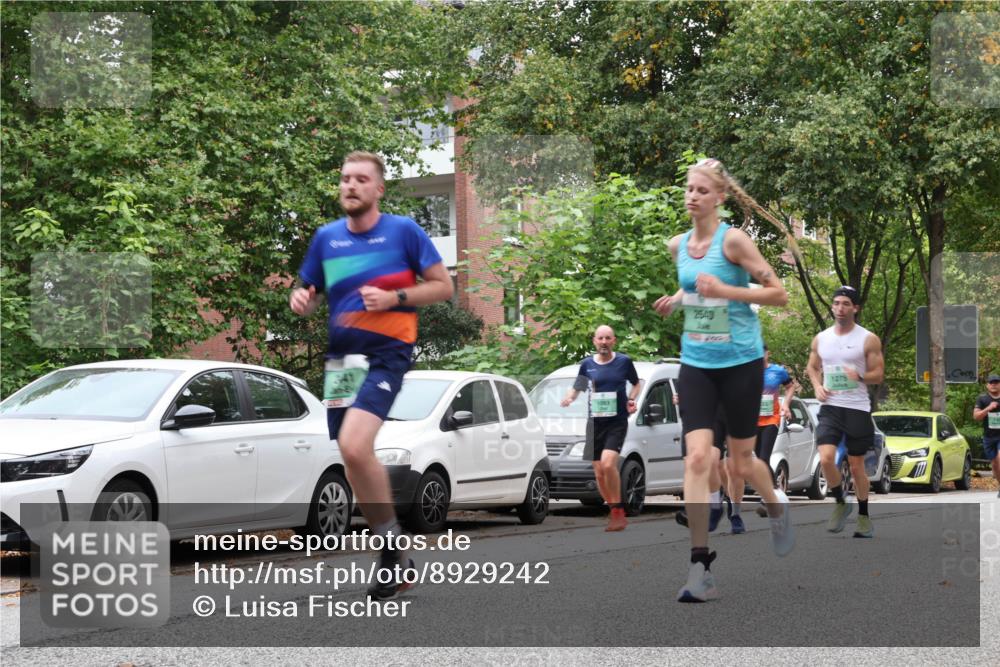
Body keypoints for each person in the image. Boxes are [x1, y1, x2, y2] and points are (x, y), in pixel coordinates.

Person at [290, 151, 453, 600]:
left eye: (361, 179)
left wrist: (396, 297)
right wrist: (301, 300)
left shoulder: (403, 231)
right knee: (354, 460)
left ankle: (388, 551)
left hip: (386, 356)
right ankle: (395, 549)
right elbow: (308, 289)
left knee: (354, 445)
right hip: (342, 364)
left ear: (378, 189)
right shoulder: (327, 238)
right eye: (345, 179)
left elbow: (444, 286)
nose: (351, 186)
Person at [653, 157, 793, 603]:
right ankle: (700, 567)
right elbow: (694, 285)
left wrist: (727, 291)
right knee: (697, 459)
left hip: (741, 363)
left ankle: (775, 505)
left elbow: (778, 294)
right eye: (689, 189)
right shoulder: (677, 245)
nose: (692, 196)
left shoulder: (734, 241)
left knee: (738, 464)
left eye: (701, 190)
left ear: (720, 197)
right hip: (696, 363)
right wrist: (677, 300)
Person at [806, 285, 885, 539]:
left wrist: (860, 375)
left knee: (856, 465)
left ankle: (863, 516)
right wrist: (817, 386)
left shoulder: (868, 339)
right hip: (830, 407)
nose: (840, 308)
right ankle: (841, 500)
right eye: (836, 303)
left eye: (845, 304)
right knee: (826, 458)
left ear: (855, 308)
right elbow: (812, 367)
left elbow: (879, 375)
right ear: (832, 306)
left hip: (857, 409)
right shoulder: (821, 338)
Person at [561, 325, 642, 531]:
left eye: (608, 338)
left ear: (613, 340)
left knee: (608, 465)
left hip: (617, 421)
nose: (604, 342)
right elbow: (579, 386)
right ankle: (613, 509)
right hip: (595, 423)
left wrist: (631, 400)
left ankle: (618, 511)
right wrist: (570, 397)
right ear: (594, 341)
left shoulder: (623, 362)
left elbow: (636, 384)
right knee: (598, 472)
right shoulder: (587, 364)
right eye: (600, 338)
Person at [750, 345, 798, 518]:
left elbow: (791, 386)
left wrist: (785, 405)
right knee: (759, 460)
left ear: (767, 353)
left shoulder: (777, 371)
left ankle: (770, 496)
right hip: (752, 421)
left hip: (771, 420)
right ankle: (775, 492)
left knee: (763, 458)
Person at [973, 373, 1000, 497]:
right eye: (991, 383)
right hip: (989, 437)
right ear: (987, 385)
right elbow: (976, 416)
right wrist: (989, 408)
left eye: (996, 382)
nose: (994, 385)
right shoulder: (982, 399)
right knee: (994, 465)